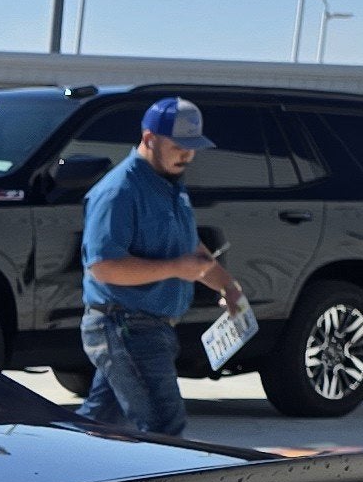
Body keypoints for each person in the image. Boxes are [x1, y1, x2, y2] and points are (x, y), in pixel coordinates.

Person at [77, 97, 243, 437]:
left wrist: (227, 285)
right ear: (149, 139)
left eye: (193, 147)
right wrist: (175, 268)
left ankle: (40, 460)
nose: (187, 155)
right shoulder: (119, 191)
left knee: (98, 426)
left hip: (145, 326)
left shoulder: (170, 185)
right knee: (164, 427)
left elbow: (190, 248)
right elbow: (103, 267)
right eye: (178, 146)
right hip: (124, 325)